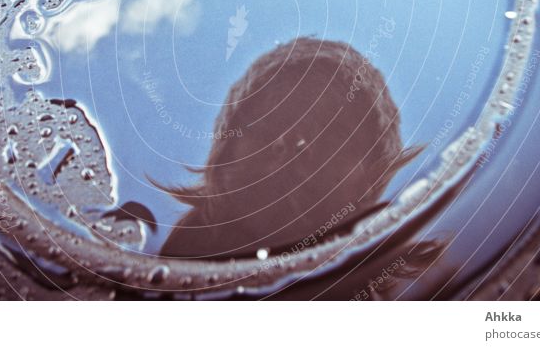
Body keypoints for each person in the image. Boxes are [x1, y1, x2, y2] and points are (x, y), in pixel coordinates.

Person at [159, 37, 423, 259]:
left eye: (333, 134)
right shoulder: (165, 275)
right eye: (268, 122)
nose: (293, 142)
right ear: (223, 155)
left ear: (371, 177)